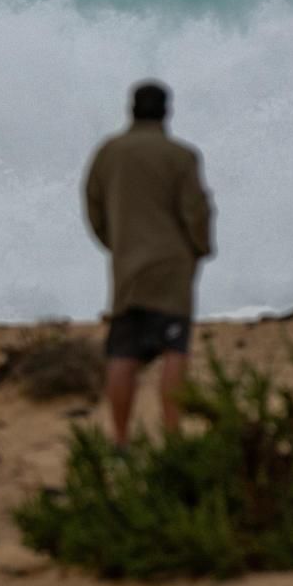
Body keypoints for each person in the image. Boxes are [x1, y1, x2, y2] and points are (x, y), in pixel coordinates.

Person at [83, 80, 214, 446]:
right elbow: (195, 211)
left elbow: (93, 205)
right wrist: (200, 248)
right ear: (166, 111)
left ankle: (120, 439)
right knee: (175, 350)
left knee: (122, 353)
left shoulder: (108, 153)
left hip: (128, 268)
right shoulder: (181, 156)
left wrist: (116, 244)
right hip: (172, 267)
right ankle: (172, 438)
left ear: (131, 109)